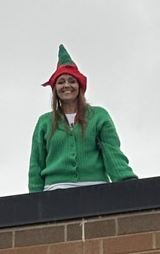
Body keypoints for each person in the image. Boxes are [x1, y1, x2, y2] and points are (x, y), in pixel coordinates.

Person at [28, 44, 136, 192]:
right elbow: (36, 163)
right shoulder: (44, 122)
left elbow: (112, 151)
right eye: (61, 82)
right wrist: (34, 198)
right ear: (55, 89)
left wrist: (128, 182)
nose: (67, 85)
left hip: (95, 186)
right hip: (56, 189)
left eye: (72, 81)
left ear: (80, 86)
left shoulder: (99, 116)